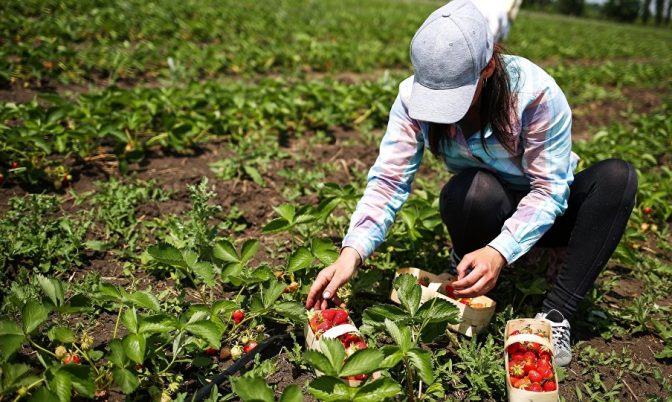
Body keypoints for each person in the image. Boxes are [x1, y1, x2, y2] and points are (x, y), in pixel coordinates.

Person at [305, 0, 637, 366]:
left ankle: (556, 313)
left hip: (547, 214)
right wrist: (351, 253)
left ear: (489, 67)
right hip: (491, 206)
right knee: (472, 189)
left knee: (617, 178)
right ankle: (469, 262)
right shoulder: (410, 99)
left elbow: (549, 189)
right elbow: (388, 179)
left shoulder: (535, 95)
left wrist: (500, 249)